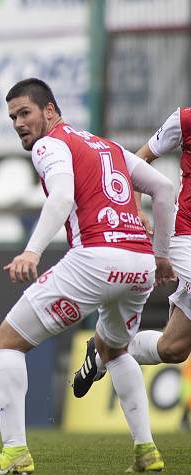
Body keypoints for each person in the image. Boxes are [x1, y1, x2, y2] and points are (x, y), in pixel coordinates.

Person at [0, 78, 176, 475]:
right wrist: (162, 256)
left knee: (6, 344)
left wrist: (31, 251)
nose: (18, 122)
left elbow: (63, 197)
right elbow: (164, 189)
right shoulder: (107, 146)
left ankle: (15, 451)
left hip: (96, 259)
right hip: (139, 264)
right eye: (12, 116)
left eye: (25, 112)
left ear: (50, 110)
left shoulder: (51, 145)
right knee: (115, 349)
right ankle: (146, 449)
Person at [73, 106, 191, 397]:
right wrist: (135, 207)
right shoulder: (184, 119)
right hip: (185, 234)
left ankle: (102, 353)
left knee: (174, 349)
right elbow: (140, 159)